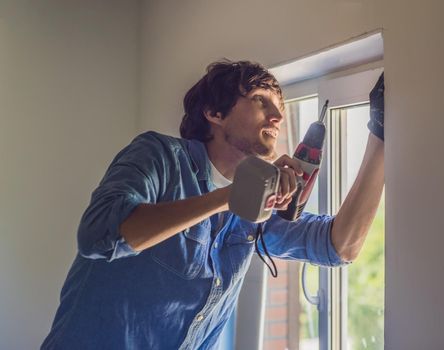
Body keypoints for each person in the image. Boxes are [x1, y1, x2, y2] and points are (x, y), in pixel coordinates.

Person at [41, 60, 385, 350]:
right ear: (214, 112)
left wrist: (380, 134)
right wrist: (229, 198)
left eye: (280, 108)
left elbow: (338, 246)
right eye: (261, 100)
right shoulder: (159, 156)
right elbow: (99, 236)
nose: (277, 116)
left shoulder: (257, 202)